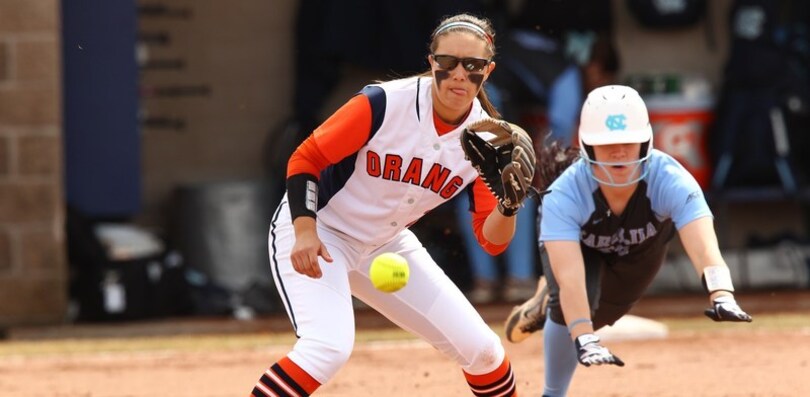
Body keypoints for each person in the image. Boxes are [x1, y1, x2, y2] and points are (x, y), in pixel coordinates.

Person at [250, 14, 531, 396]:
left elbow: (492, 241)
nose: (459, 74)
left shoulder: (487, 139)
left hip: (386, 244)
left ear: (489, 71)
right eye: (447, 62)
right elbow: (305, 158)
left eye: (473, 65)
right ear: (432, 61)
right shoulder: (385, 102)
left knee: (484, 352)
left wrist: (510, 206)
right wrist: (304, 230)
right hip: (320, 229)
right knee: (327, 348)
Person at [503, 85, 753, 397]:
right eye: (607, 144)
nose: (619, 152)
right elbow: (571, 280)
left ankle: (541, 303)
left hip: (640, 249)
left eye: (628, 141)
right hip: (581, 250)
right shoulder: (565, 195)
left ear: (646, 141)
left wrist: (722, 293)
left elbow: (704, 245)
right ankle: (553, 392)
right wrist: (584, 337)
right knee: (569, 309)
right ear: (588, 147)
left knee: (605, 313)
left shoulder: (670, 179)